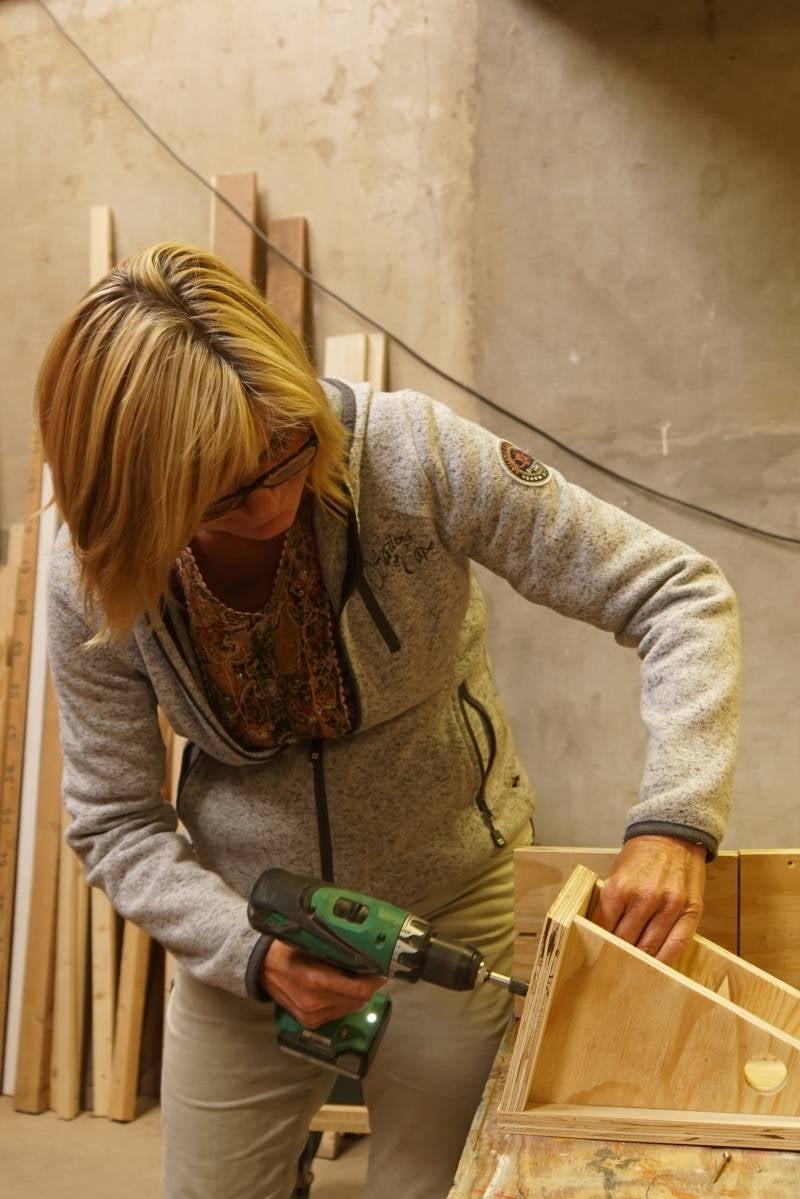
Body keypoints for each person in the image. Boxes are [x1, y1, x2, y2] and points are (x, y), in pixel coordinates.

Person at [37, 243, 740, 1199]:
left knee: (440, 1188)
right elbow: (115, 818)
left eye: (287, 450)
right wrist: (247, 951)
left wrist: (675, 821)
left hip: (450, 903)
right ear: (142, 499)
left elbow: (679, 593)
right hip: (245, 923)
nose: (274, 500)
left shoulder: (413, 456)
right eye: (226, 496)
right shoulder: (94, 570)